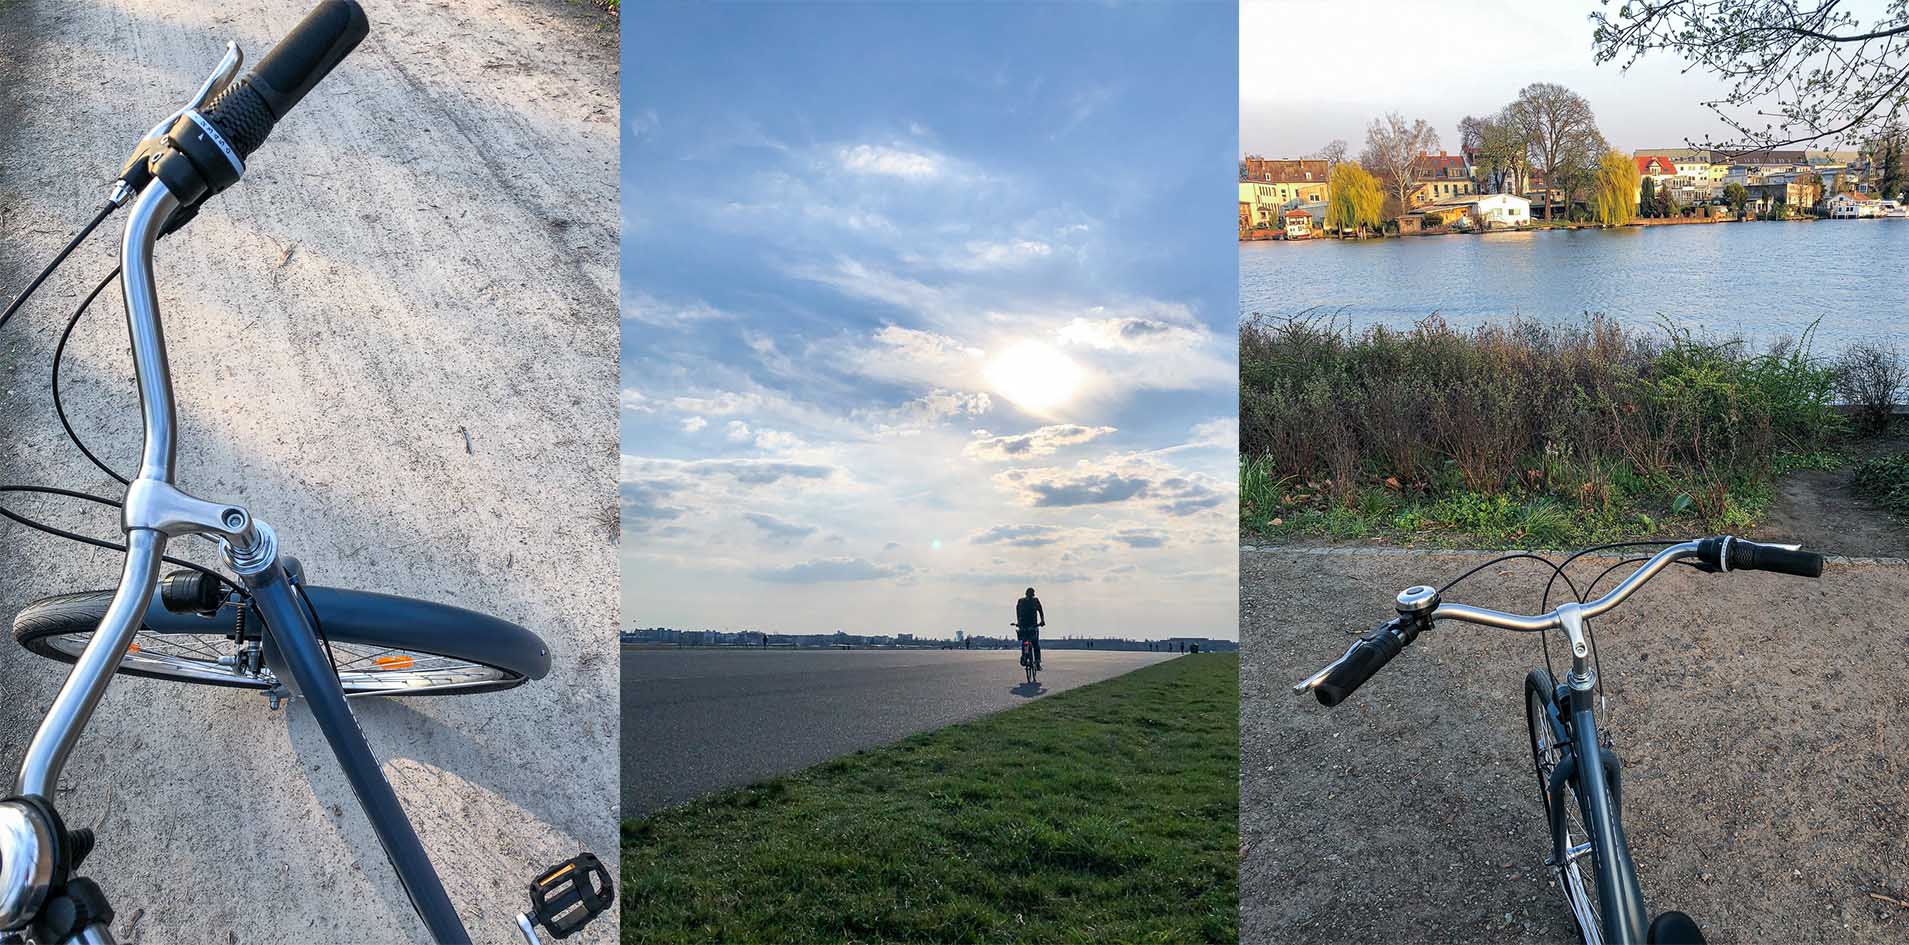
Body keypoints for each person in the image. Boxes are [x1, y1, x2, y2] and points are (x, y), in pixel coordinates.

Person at [1015, 587, 1044, 671]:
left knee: (1024, 641)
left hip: (1023, 625)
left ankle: (1024, 656)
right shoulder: (1035, 601)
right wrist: (1042, 621)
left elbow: (1017, 612)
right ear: (1033, 594)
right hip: (1033, 625)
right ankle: (1037, 662)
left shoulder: (1020, 601)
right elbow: (1041, 611)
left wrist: (1018, 622)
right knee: (1035, 644)